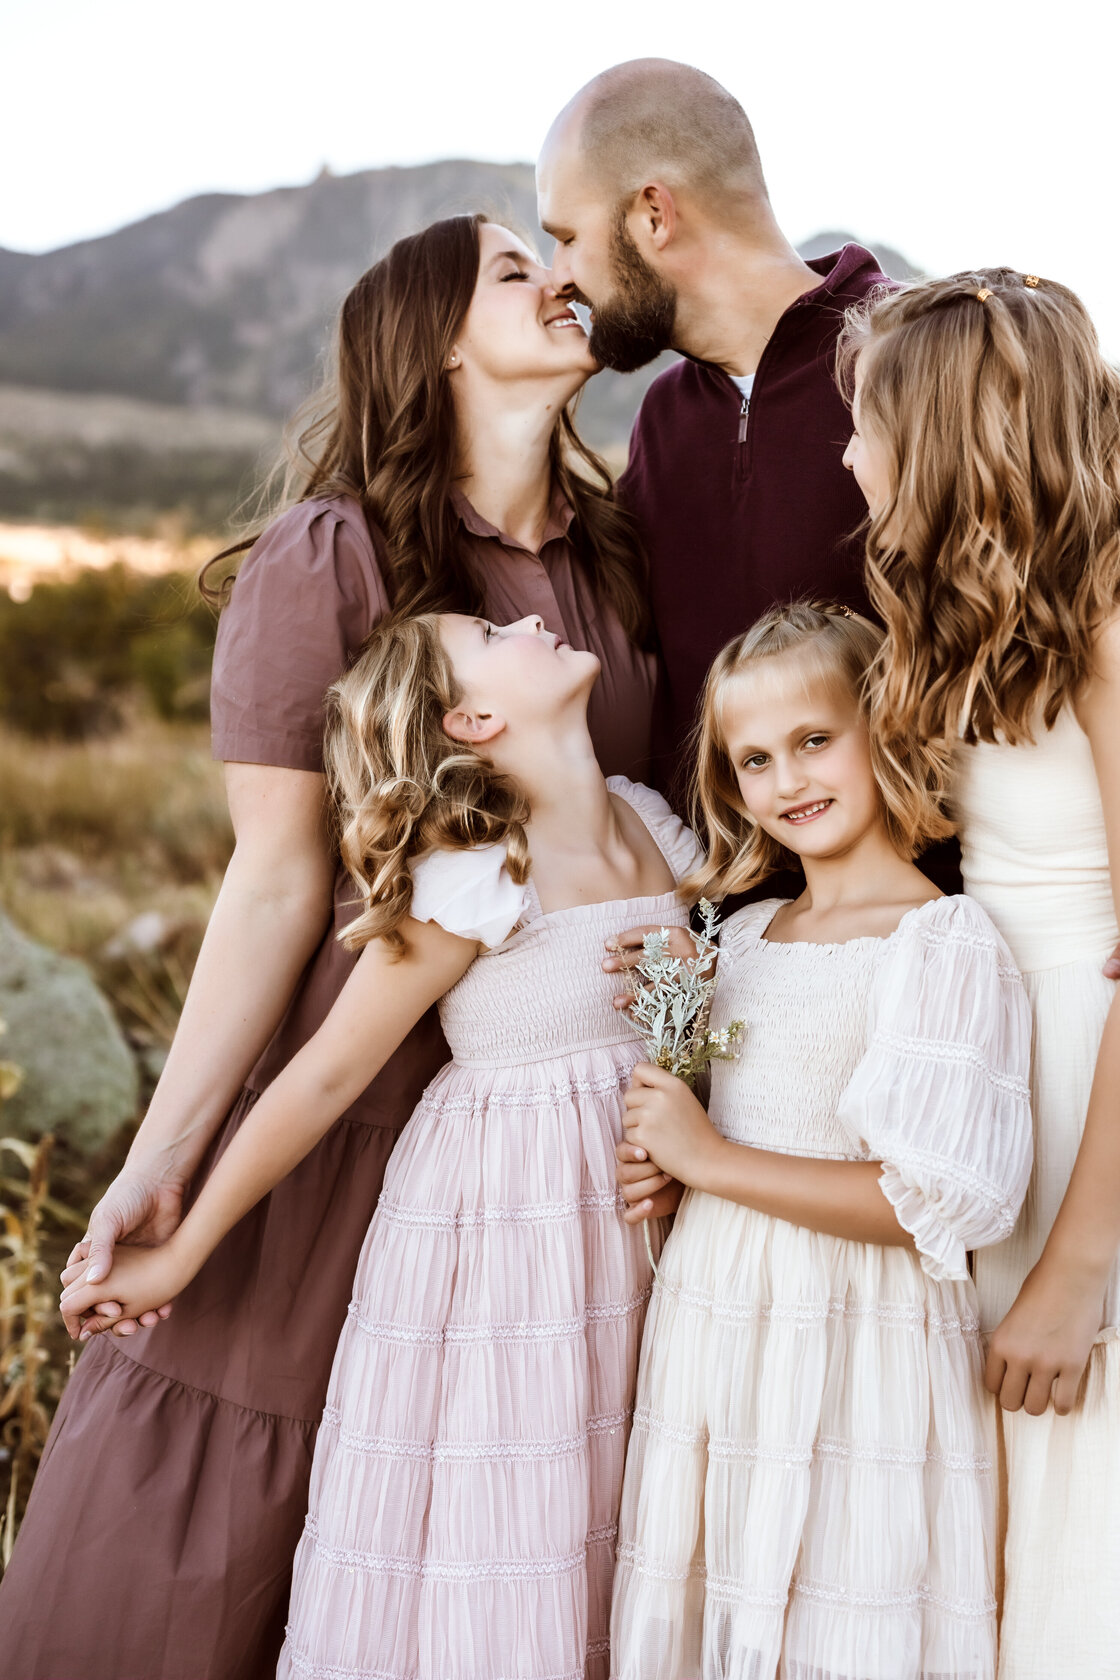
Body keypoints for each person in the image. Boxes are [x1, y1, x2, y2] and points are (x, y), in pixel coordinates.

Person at [0, 215, 655, 1680]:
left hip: (546, 1153)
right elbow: (275, 885)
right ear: (429, 338)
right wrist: (166, 1157)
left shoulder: (613, 562)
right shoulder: (337, 552)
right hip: (346, 1106)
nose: (559, 275)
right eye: (509, 268)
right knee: (229, 1521)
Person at [61, 609, 701, 1680]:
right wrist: (181, 1244)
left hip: (627, 1227)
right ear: (475, 717)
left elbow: (720, 981)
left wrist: (692, 968)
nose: (536, 617)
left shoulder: (650, 824)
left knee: (610, 1500)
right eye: (500, 631)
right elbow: (323, 1074)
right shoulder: (484, 871)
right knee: (516, 1515)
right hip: (505, 1231)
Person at [839, 268, 1120, 1676]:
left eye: (868, 426)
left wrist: (1076, 1272)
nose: (852, 456)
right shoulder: (976, 632)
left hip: (1111, 1134)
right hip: (1008, 1097)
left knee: (1102, 1534)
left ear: (946, 442)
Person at [608, 604, 1033, 1680]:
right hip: (718, 1332)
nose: (787, 778)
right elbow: (728, 1122)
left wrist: (710, 1159)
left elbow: (929, 1204)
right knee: (726, 1595)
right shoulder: (740, 934)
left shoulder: (941, 939)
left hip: (857, 1340)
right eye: (754, 758)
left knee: (839, 1609)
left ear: (886, 726)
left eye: (813, 739)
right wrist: (672, 1140)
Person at [537, 58, 890, 792]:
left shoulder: (916, 363)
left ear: (654, 215)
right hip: (713, 903)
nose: (557, 276)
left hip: (930, 900)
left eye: (567, 236)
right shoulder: (663, 421)